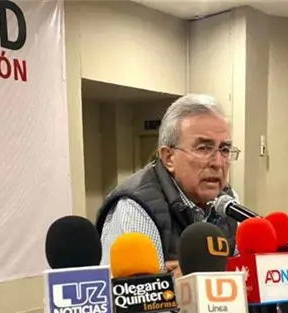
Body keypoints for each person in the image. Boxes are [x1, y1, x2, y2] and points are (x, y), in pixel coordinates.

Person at [96, 94, 241, 275]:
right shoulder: (136, 207)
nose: (218, 163)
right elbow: (136, 289)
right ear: (169, 157)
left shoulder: (228, 201)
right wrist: (180, 282)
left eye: (225, 150)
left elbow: (243, 272)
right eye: (204, 148)